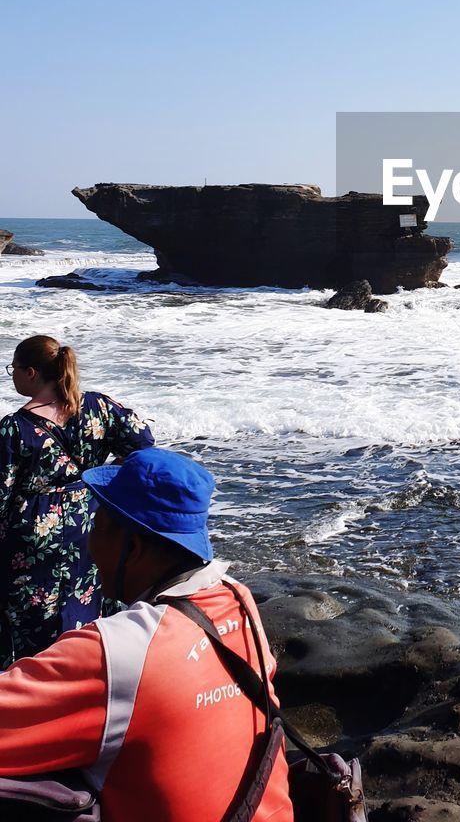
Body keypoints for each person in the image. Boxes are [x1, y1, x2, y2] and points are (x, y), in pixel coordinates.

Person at [0, 447, 294, 821]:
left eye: (96, 525)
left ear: (133, 548)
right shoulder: (239, 599)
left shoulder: (118, 653)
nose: (89, 546)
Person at [1, 334, 155, 667]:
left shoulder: (15, 429)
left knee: (33, 639)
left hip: (33, 545)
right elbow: (143, 444)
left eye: (13, 367)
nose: (10, 374)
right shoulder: (98, 407)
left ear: (30, 373)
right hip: (94, 527)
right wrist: (104, 480)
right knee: (87, 618)